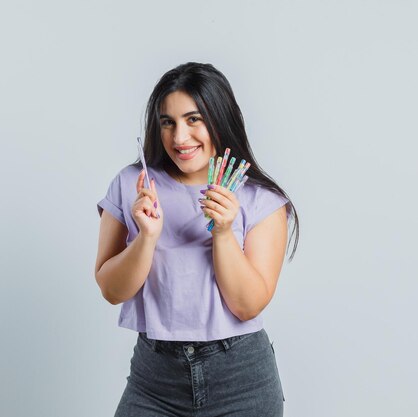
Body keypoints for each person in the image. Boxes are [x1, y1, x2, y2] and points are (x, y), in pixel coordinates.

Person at [94, 62, 300, 417]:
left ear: (219, 118)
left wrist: (222, 233)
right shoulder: (132, 185)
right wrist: (146, 237)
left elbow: (247, 305)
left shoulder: (260, 199)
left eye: (194, 119)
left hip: (241, 378)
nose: (179, 138)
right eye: (168, 122)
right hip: (154, 379)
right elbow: (112, 291)